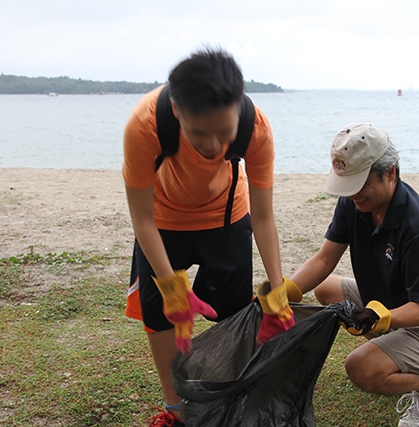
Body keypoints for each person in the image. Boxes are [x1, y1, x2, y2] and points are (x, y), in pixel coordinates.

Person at [122, 48, 298, 427]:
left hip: (227, 216)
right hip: (163, 219)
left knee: (232, 311)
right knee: (160, 313)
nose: (213, 146)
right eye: (198, 134)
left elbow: (264, 218)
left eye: (224, 133)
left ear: (237, 110)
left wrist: (277, 292)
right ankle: (176, 409)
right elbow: (141, 216)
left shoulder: (256, 128)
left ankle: (225, 397)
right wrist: (172, 288)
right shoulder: (145, 123)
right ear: (177, 114)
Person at [291, 122, 419, 427]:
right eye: (347, 185)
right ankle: (394, 353)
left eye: (360, 185)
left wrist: (381, 318)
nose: (352, 195)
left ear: (390, 173)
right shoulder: (354, 203)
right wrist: (286, 290)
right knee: (324, 289)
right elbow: (324, 259)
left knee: (360, 369)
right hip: (389, 300)